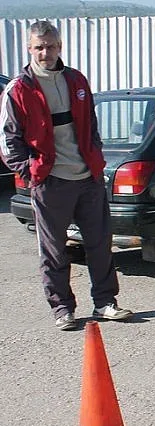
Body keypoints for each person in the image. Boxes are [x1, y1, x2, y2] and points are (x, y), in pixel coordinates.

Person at [0, 20, 132, 331]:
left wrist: (96, 158)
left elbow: (92, 125)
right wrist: (30, 172)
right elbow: (8, 141)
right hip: (50, 182)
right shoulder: (19, 89)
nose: (45, 52)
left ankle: (105, 302)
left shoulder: (76, 81)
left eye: (51, 46)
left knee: (100, 244)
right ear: (30, 49)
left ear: (60, 47)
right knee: (54, 250)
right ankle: (62, 308)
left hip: (87, 178)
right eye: (39, 47)